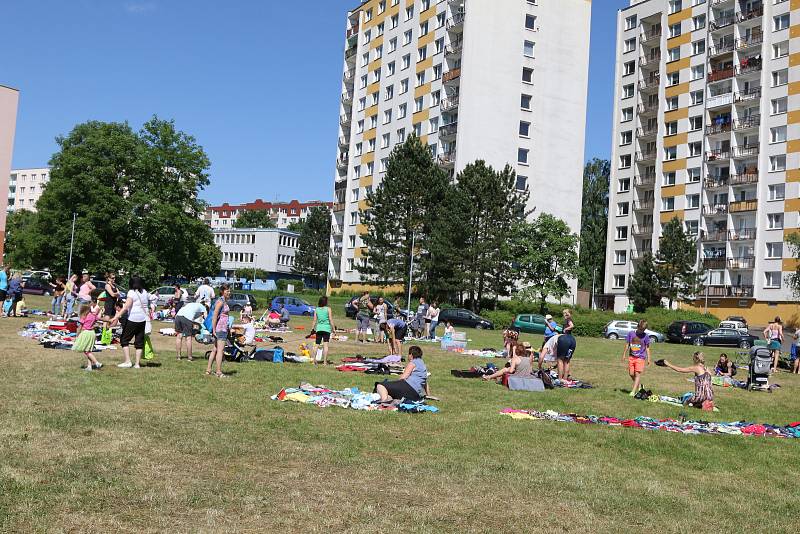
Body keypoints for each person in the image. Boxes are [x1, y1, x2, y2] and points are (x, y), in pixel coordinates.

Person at [111, 276, 153, 369]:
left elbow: (126, 307)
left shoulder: (131, 292)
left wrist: (116, 316)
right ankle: (137, 364)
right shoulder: (144, 292)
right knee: (139, 341)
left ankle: (128, 361)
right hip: (143, 319)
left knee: (124, 340)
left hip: (133, 319)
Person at [206, 283, 231, 378]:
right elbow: (215, 316)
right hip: (220, 328)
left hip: (222, 328)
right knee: (220, 350)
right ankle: (219, 372)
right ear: (222, 291)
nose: (229, 292)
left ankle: (208, 370)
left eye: (229, 291)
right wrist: (214, 330)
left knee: (215, 349)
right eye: (227, 291)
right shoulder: (220, 302)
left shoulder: (224, 301)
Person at [622, 320, 651, 396]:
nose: (641, 331)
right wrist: (624, 354)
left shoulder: (646, 336)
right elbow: (627, 344)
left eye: (643, 330)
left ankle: (633, 391)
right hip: (631, 357)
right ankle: (639, 385)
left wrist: (649, 358)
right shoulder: (631, 334)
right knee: (631, 374)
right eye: (641, 329)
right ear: (637, 326)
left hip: (640, 358)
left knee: (637, 374)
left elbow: (647, 348)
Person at [72, 303, 103, 371]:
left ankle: (97, 363)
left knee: (86, 351)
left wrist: (77, 335)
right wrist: (100, 311)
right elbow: (99, 318)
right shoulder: (93, 315)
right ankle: (89, 366)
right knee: (88, 350)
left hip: (86, 333)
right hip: (92, 333)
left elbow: (79, 327)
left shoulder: (84, 316)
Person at [310, 296, 336, 365]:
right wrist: (334, 329)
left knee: (316, 345)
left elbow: (314, 320)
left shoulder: (316, 309)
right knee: (325, 345)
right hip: (327, 329)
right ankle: (325, 362)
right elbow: (330, 319)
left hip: (319, 329)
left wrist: (312, 329)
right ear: (325, 302)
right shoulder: (328, 309)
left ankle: (313, 361)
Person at [556, 309, 576, 380]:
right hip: (572, 340)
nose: (564, 315)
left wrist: (565, 329)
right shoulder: (570, 319)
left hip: (565, 339)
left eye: (564, 313)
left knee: (560, 359)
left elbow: (572, 325)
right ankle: (565, 379)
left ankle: (560, 379)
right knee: (567, 360)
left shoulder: (568, 319)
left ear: (567, 314)